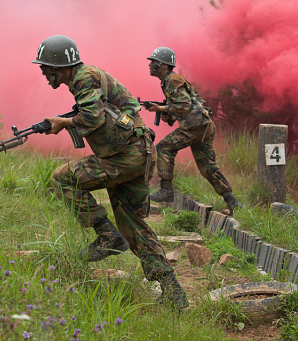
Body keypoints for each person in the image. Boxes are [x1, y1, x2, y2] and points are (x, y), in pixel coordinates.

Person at [35, 35, 188, 310]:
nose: (44, 73)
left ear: (59, 66)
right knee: (134, 226)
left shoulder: (83, 78)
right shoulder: (87, 78)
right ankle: (174, 293)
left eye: (45, 68)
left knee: (61, 178)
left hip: (125, 157)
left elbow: (93, 117)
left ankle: (106, 236)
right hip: (138, 155)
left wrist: (63, 123)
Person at [144, 47, 243, 214]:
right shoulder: (169, 80)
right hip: (203, 126)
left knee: (163, 147)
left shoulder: (172, 80)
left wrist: (160, 108)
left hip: (195, 127)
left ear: (164, 65)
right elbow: (185, 106)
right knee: (207, 166)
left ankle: (166, 190)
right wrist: (168, 114)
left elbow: (184, 105)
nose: (150, 65)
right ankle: (232, 202)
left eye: (153, 62)